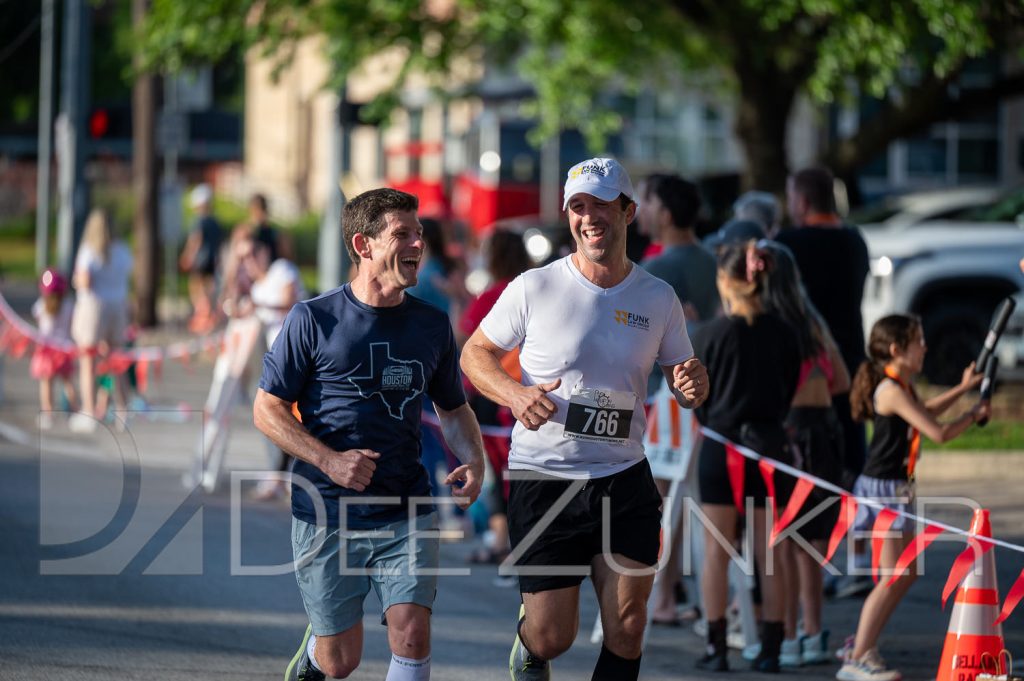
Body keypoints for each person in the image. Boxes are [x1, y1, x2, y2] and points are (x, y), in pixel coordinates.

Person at [460, 157, 709, 681]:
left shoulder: (657, 296)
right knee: (554, 635)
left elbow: (684, 379)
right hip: (544, 478)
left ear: (628, 212)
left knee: (629, 622)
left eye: (601, 205)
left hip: (623, 475)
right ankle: (529, 651)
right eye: (578, 207)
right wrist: (515, 394)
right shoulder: (537, 286)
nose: (589, 217)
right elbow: (474, 354)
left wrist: (693, 385)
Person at [253, 187, 485, 681]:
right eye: (402, 234)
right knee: (341, 661)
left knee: (413, 635)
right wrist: (329, 460)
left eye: (418, 234)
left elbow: (454, 407)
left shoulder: (431, 324)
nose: (417, 244)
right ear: (364, 245)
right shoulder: (312, 319)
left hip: (407, 506)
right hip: (327, 508)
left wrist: (475, 459)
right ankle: (315, 654)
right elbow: (267, 410)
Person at [836, 315, 987, 681]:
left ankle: (861, 642)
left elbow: (924, 412)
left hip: (896, 489)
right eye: (919, 340)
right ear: (896, 350)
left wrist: (962, 388)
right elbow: (938, 432)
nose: (925, 346)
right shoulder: (890, 390)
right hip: (883, 493)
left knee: (903, 576)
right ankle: (858, 658)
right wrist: (972, 414)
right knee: (893, 577)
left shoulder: (900, 384)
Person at [691, 240, 801, 673]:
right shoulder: (787, 334)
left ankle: (717, 646)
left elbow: (696, 398)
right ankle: (772, 646)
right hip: (770, 449)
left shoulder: (710, 335)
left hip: (721, 447)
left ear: (725, 282)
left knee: (716, 552)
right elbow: (790, 389)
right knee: (769, 553)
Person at [775, 166, 871, 598]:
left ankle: (824, 561)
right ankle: (859, 558)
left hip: (807, 369)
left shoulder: (791, 245)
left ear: (802, 201)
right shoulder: (855, 240)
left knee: (810, 468)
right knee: (853, 460)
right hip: (851, 358)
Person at [759, 241, 850, 667]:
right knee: (812, 543)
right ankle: (814, 633)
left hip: (788, 433)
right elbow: (842, 382)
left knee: (785, 540)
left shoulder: (767, 325)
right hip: (824, 434)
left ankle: (790, 633)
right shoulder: (813, 322)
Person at [457, 228, 534, 566]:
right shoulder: (533, 291)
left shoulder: (489, 297)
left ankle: (502, 538)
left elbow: (465, 339)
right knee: (522, 471)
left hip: (491, 397)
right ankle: (519, 540)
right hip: (529, 393)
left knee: (500, 471)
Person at [243, 237, 306, 501]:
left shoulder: (282, 269)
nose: (248, 262)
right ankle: (280, 475)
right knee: (273, 417)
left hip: (300, 353)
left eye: (251, 255)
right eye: (243, 258)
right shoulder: (256, 287)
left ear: (264, 252)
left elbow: (289, 301)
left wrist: (260, 306)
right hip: (276, 358)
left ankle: (291, 475)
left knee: (296, 416)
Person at [69, 209, 134, 434]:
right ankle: (123, 410)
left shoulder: (89, 251)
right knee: (117, 362)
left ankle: (89, 411)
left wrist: (76, 280)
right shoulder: (122, 250)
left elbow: (85, 281)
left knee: (88, 362)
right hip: (118, 307)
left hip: (94, 307)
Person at [638, 173, 719, 324]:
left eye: (649, 202)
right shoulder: (714, 260)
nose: (642, 209)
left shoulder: (653, 271)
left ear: (665, 216)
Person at [30, 268, 77, 429]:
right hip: (64, 349)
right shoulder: (69, 305)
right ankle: (75, 411)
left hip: (47, 350)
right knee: (67, 382)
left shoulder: (41, 305)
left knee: (46, 383)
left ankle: (48, 414)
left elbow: (37, 319)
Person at [179, 184, 224, 334]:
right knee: (210, 287)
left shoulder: (199, 221)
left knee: (197, 286)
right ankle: (210, 314)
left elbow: (195, 240)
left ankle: (202, 313)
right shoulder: (215, 222)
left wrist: (188, 256)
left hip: (201, 259)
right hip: (213, 259)